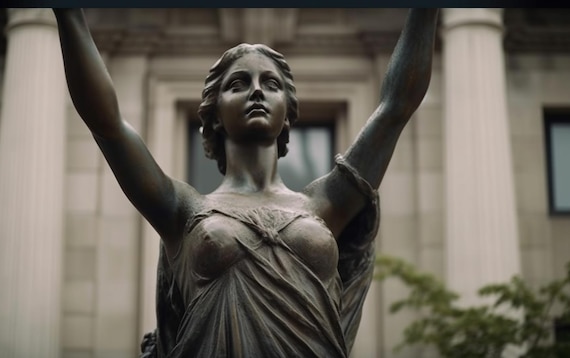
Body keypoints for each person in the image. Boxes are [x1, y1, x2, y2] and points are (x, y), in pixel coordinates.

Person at [53, 8, 439, 358]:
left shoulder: (324, 202)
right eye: (238, 83)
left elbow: (395, 108)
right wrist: (68, 13)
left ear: (287, 113)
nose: (257, 89)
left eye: (271, 84)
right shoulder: (182, 208)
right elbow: (108, 125)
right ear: (215, 114)